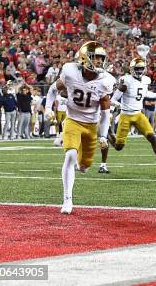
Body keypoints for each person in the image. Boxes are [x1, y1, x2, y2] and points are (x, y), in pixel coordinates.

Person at [44, 41, 116, 214]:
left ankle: (81, 163)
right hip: (72, 120)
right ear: (84, 58)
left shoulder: (105, 81)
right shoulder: (70, 72)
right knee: (70, 155)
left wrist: (103, 136)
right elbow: (53, 89)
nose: (99, 62)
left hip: (91, 125)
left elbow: (106, 113)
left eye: (101, 59)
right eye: (95, 58)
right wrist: (47, 108)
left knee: (84, 167)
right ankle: (67, 199)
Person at [106, 57, 156, 173]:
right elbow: (114, 98)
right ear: (132, 69)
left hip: (138, 114)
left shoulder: (145, 80)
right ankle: (107, 133)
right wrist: (115, 108)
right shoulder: (126, 80)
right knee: (118, 147)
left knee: (152, 138)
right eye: (137, 68)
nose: (139, 71)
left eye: (141, 68)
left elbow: (145, 93)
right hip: (126, 115)